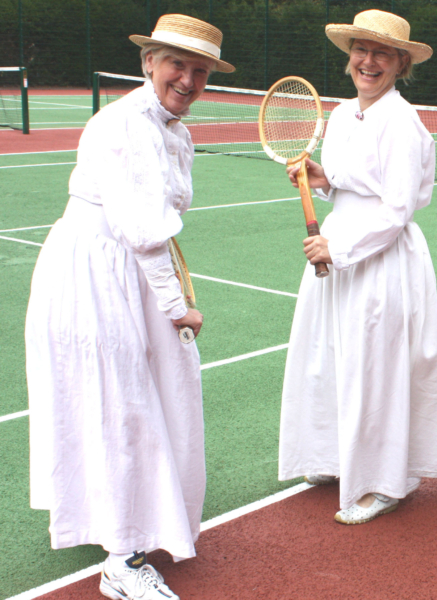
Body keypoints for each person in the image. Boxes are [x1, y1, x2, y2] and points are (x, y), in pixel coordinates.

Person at [24, 14, 233, 600]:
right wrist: (178, 307)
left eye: (200, 70)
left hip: (123, 267)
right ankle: (122, 561)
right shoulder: (127, 124)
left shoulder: (172, 128)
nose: (188, 79)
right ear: (149, 63)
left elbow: (154, 226)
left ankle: (127, 518)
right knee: (121, 402)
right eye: (177, 64)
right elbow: (142, 231)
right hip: (96, 271)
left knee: (145, 393)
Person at [277, 10, 437, 525]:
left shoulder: (402, 122)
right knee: (330, 355)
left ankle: (385, 481)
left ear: (400, 63)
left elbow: (396, 210)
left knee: (377, 368)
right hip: (337, 247)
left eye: (381, 53)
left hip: (378, 260)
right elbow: (353, 182)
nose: (367, 62)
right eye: (360, 50)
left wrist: (341, 250)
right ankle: (333, 457)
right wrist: (321, 176)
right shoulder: (342, 113)